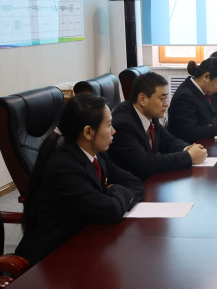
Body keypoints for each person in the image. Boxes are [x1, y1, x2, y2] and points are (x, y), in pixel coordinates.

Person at [15, 94, 143, 266]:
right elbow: (110, 211)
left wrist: (111, 194)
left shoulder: (98, 155)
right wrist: (113, 190)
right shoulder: (63, 167)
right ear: (88, 132)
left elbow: (135, 183)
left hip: (82, 243)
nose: (114, 131)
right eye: (108, 125)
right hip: (48, 261)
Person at [108, 72, 208, 180]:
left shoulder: (149, 113)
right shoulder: (123, 125)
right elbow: (145, 164)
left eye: (166, 98)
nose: (166, 104)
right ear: (142, 99)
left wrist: (189, 148)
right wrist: (188, 157)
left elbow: (168, 141)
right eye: (162, 99)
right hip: (132, 184)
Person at [168, 57, 217, 144]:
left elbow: (214, 115)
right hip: (189, 147)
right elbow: (189, 133)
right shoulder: (185, 96)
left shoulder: (202, 90)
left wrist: (212, 126)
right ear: (206, 77)